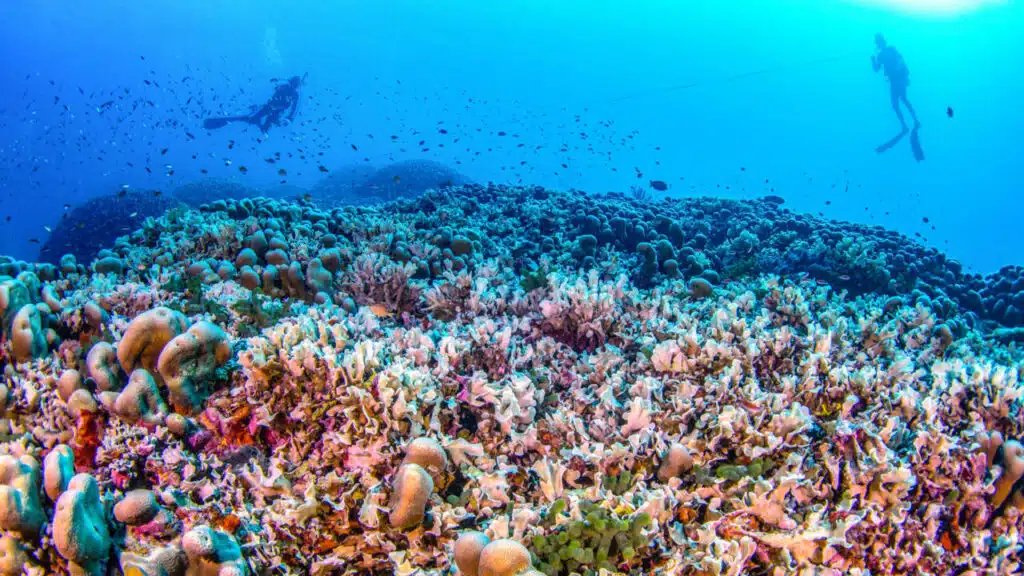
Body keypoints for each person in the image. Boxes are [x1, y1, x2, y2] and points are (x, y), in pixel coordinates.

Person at [203, 75, 303, 133]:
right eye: (294, 85)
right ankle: (253, 118)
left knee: (264, 130)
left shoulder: (295, 94)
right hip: (269, 108)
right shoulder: (283, 87)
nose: (294, 87)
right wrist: (276, 108)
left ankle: (257, 121)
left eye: (295, 86)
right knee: (251, 119)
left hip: (277, 112)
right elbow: (274, 98)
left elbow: (293, 108)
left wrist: (290, 118)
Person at [872, 34, 918, 132]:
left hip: (896, 80)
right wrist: (907, 76)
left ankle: (905, 125)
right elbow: (901, 60)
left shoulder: (881, 55)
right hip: (899, 78)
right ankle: (914, 121)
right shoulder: (891, 49)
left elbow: (876, 69)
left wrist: (872, 60)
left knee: (896, 104)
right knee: (903, 100)